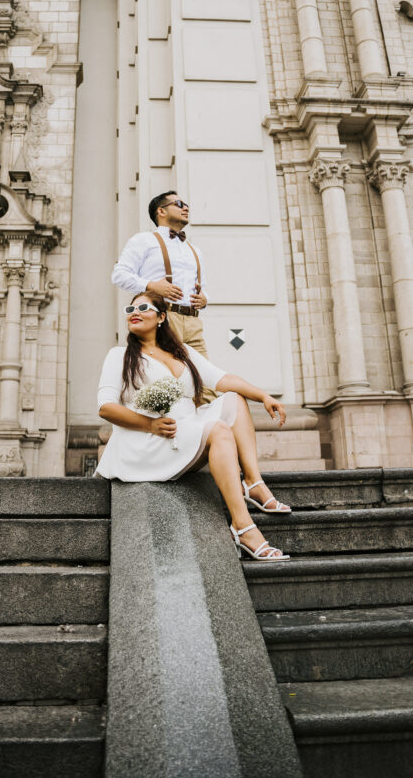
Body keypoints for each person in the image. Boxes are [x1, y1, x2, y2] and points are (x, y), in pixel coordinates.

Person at [96, 290, 292, 561]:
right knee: (219, 430)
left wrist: (263, 396)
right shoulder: (120, 355)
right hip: (149, 439)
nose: (134, 314)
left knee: (235, 399)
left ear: (161, 317)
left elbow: (221, 379)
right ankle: (243, 526)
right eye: (130, 310)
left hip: (187, 426)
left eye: (142, 308)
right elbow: (105, 407)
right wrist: (151, 424)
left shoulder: (182, 352)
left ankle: (253, 481)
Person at [112, 191, 209, 356]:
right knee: (164, 369)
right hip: (163, 318)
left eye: (186, 205)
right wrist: (151, 285)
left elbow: (202, 287)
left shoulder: (194, 250)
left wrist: (204, 299)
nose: (185, 208)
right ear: (161, 211)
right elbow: (119, 275)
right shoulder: (144, 240)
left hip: (193, 322)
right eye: (179, 204)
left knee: (202, 371)